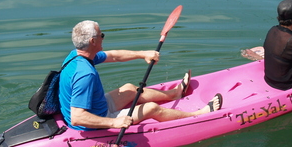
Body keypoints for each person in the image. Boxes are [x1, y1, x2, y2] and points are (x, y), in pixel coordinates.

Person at [58, 20, 222, 130]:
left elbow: (114, 55)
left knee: (130, 88)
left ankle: (174, 94)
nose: (103, 38)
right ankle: (198, 115)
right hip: (93, 120)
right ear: (93, 42)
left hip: (98, 105)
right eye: (101, 35)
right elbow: (77, 117)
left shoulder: (77, 56)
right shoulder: (85, 75)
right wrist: (114, 122)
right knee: (151, 109)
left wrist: (143, 54)